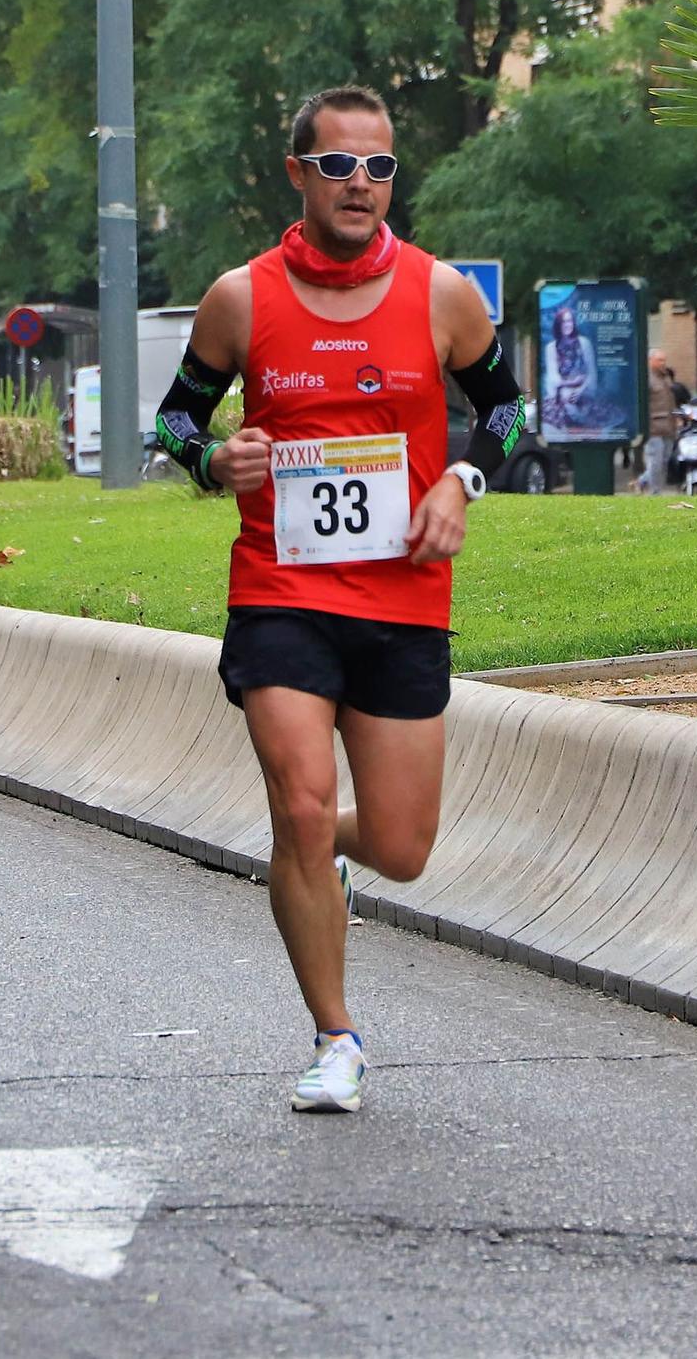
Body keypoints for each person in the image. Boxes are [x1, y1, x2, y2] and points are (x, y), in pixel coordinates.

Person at [149, 85, 526, 1114]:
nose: (358, 184)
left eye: (377, 167)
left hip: (401, 594)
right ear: (297, 174)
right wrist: (212, 458)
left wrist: (460, 479)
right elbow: (174, 420)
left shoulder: (440, 294)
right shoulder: (241, 298)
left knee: (399, 847)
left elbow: (504, 407)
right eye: (337, 165)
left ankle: (312, 854)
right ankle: (335, 1034)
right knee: (301, 798)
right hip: (279, 589)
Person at [641, 348, 691, 494]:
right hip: (653, 427)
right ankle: (654, 492)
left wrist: (678, 416)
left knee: (665, 460)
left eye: (664, 360)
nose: (663, 363)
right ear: (650, 361)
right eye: (660, 360)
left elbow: (671, 401)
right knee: (655, 461)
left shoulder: (666, 377)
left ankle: (643, 482)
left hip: (669, 427)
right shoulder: (646, 378)